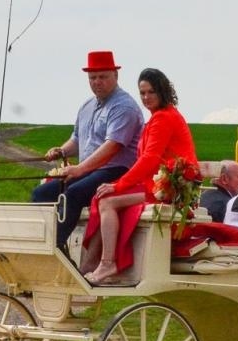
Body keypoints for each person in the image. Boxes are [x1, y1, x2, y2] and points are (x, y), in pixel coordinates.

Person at [81, 68, 198, 285]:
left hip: (169, 191)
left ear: (162, 91)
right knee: (102, 195)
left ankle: (107, 262)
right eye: (142, 93)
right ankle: (92, 262)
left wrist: (119, 185)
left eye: (151, 92)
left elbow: (150, 159)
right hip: (156, 185)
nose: (146, 97)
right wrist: (119, 184)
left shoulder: (163, 118)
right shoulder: (157, 118)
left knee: (107, 201)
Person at [32, 50, 143, 252]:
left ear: (115, 75)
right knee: (41, 193)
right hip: (91, 170)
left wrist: (80, 169)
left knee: (74, 193)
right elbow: (77, 139)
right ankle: (40, 242)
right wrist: (61, 151)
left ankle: (55, 247)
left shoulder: (124, 107)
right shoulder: (86, 106)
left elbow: (113, 146)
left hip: (116, 170)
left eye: (102, 77)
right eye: (92, 78)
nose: (97, 82)